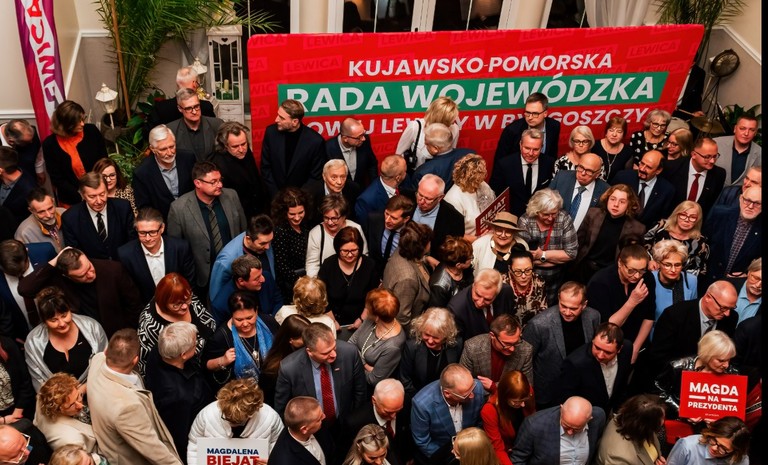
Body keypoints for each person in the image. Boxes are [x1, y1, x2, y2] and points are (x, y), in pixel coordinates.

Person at [87, 329, 183, 465]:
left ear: (107, 351)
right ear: (135, 360)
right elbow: (153, 449)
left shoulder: (97, 360)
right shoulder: (127, 408)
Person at [18, 246, 143, 337]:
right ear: (67, 276)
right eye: (82, 275)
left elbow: (134, 305)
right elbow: (25, 289)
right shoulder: (59, 278)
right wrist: (54, 261)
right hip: (82, 337)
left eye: (89, 267)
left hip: (115, 334)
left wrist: (127, 334)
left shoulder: (112, 270)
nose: (90, 274)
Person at [167, 160, 247, 294]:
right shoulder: (179, 208)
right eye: (213, 182)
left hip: (235, 270)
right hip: (203, 277)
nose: (220, 185)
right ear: (198, 183)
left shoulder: (231, 196)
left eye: (220, 180)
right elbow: (176, 249)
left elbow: (243, 230)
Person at [522, 281, 600, 410]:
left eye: (573, 308)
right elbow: (525, 360)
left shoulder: (593, 317)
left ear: (584, 305)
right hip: (548, 391)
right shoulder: (538, 325)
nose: (567, 312)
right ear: (558, 299)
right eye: (563, 306)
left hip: (580, 388)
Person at [144, 322, 213, 462]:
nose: (196, 344)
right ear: (184, 355)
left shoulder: (160, 350)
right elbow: (180, 437)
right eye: (194, 345)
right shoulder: (177, 396)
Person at [274, 322, 367, 420]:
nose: (334, 354)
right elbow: (282, 409)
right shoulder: (289, 368)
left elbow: (360, 392)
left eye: (334, 347)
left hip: (345, 420)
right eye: (326, 353)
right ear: (309, 352)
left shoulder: (349, 353)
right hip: (312, 426)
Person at [24, 286, 107, 391]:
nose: (62, 323)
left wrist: (83, 389)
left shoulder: (92, 327)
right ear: (44, 321)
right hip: (58, 399)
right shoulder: (33, 341)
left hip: (96, 391)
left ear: (69, 310)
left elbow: (106, 365)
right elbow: (39, 382)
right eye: (53, 320)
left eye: (64, 315)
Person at [187, 378, 284, 465]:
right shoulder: (206, 415)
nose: (232, 424)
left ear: (251, 413)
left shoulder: (270, 418)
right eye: (227, 418)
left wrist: (272, 462)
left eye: (237, 421)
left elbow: (279, 446)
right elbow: (194, 445)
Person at [586, 244, 655, 363]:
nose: (637, 276)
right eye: (631, 270)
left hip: (636, 341)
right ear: (620, 263)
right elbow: (608, 327)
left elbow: (649, 316)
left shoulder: (647, 278)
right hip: (608, 345)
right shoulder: (600, 283)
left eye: (641, 270)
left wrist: (635, 348)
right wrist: (632, 302)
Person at [137, 273, 216, 376]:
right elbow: (147, 364)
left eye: (187, 299)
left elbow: (207, 320)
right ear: (164, 302)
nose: (185, 307)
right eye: (177, 304)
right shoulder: (149, 325)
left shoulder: (184, 296)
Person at [649, 281, 738, 371]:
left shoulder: (731, 318)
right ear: (708, 297)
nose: (727, 313)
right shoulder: (675, 315)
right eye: (723, 308)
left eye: (731, 308)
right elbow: (659, 356)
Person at [653, 331, 739, 423]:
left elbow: (733, 407)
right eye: (721, 360)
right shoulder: (678, 367)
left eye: (729, 360)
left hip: (715, 428)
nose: (726, 365)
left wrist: (720, 419)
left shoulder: (732, 373)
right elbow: (659, 390)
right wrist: (680, 409)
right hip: (679, 422)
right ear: (707, 355)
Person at [117, 206, 197, 304]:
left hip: (179, 304)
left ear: (162, 228)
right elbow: (129, 292)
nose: (147, 238)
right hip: (145, 308)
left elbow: (189, 283)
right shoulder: (125, 254)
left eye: (152, 232)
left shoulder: (180, 248)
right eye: (142, 233)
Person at [208, 214, 280, 322]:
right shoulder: (226, 261)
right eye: (263, 243)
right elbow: (216, 295)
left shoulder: (263, 238)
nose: (268, 247)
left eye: (270, 241)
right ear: (248, 239)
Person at [202, 291, 278, 390]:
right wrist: (222, 360)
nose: (245, 324)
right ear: (231, 315)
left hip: (273, 385)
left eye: (249, 318)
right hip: (243, 392)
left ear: (256, 311)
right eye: (239, 320)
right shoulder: (221, 337)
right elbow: (206, 365)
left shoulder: (268, 323)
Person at [411, 363, 485, 464]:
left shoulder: (477, 388)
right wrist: (450, 458)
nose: (472, 395)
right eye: (466, 395)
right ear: (447, 394)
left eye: (473, 388)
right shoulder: (422, 404)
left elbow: (480, 424)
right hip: (442, 455)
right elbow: (422, 441)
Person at [573, 184, 646, 284]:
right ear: (607, 199)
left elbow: (633, 257)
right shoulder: (593, 214)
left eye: (622, 201)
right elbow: (578, 242)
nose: (616, 204)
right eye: (612, 199)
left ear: (629, 204)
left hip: (609, 275)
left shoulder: (637, 228)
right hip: (583, 268)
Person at [516, 189, 579, 304]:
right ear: (536, 211)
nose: (550, 218)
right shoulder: (525, 221)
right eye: (545, 214)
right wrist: (556, 259)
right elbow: (523, 259)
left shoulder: (564, 218)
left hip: (556, 279)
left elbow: (571, 254)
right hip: (530, 279)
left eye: (554, 213)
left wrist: (542, 255)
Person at [557, 322, 633, 413]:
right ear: (593, 341)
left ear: (619, 349)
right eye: (597, 348)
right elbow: (567, 400)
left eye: (608, 352)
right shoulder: (575, 363)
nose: (600, 355)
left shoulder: (627, 349)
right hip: (587, 414)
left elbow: (622, 383)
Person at [42, 100, 107, 206]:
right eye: (77, 121)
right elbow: (57, 178)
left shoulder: (92, 131)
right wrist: (80, 195)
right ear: (66, 124)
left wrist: (98, 189)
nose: (82, 124)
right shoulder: (50, 145)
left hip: (99, 192)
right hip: (72, 199)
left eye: (83, 119)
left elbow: (104, 161)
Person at [62, 171, 136, 261]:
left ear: (107, 190)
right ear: (82, 195)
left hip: (124, 263)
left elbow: (133, 241)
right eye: (92, 197)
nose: (99, 201)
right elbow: (75, 254)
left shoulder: (123, 207)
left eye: (102, 194)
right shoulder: (70, 218)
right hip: (93, 267)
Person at [510, 396, 606, 465]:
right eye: (566, 426)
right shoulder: (535, 424)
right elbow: (518, 459)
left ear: (589, 419)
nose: (570, 432)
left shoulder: (598, 418)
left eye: (576, 429)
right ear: (561, 409)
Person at [261, 99, 325, 197]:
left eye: (282, 118)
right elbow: (266, 167)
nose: (276, 120)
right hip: (274, 197)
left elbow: (315, 176)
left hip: (301, 199)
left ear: (295, 122)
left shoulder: (315, 141)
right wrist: (276, 196)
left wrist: (297, 199)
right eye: (278, 115)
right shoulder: (271, 133)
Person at [132, 124, 196, 221]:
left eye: (172, 146)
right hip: (164, 222)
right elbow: (145, 208)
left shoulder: (188, 158)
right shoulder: (142, 173)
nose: (170, 153)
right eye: (163, 149)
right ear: (152, 149)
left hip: (192, 217)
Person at [319, 226, 379, 329]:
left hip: (362, 321)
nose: (350, 255)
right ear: (338, 249)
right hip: (332, 320)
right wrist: (332, 321)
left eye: (354, 250)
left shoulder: (370, 265)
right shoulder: (328, 264)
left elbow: (373, 297)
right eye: (345, 251)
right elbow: (321, 295)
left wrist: (361, 319)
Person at [340, 379, 410, 465]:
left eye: (398, 411)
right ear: (374, 401)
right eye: (388, 412)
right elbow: (346, 455)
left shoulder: (404, 402)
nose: (393, 416)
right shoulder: (354, 423)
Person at [489, 128, 556, 217]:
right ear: (520, 145)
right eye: (527, 148)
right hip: (512, 218)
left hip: (539, 218)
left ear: (542, 147)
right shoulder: (504, 164)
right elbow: (494, 194)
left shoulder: (549, 163)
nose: (531, 153)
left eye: (536, 149)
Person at [459, 314, 533, 394]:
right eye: (507, 344)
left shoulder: (526, 350)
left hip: (508, 399)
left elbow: (527, 387)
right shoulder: (472, 347)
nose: (512, 349)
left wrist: (494, 387)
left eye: (516, 342)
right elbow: (462, 382)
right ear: (492, 335)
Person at [400, 307, 463, 399]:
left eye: (436, 337)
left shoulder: (456, 345)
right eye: (426, 335)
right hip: (417, 396)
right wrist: (420, 399)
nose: (430, 341)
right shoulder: (412, 346)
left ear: (446, 336)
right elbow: (405, 380)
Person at [348, 288, 406, 386]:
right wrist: (365, 365)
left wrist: (354, 360)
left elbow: (373, 379)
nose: (366, 310)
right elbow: (351, 343)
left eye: (368, 309)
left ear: (377, 317)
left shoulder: (393, 346)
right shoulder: (372, 319)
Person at [704, 185, 762, 282]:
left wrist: (747, 275)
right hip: (707, 278)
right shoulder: (719, 214)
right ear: (740, 199)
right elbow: (703, 241)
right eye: (747, 200)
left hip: (736, 284)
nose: (750, 206)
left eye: (757, 203)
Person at [209, 121, 267, 218]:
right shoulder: (217, 165)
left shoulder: (246, 152)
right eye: (235, 146)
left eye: (244, 144)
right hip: (238, 214)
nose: (241, 149)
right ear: (225, 146)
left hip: (257, 210)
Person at [0, 239, 54, 341]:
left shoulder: (45, 252)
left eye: (22, 270)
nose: (18, 275)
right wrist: (11, 341)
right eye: (12, 274)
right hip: (24, 338)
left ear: (27, 251)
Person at [382, 221, 432, 329]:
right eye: (429, 241)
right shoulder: (408, 279)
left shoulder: (402, 250)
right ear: (421, 247)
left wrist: (426, 259)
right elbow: (402, 319)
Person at [661, 137, 726, 217]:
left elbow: (711, 206)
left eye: (715, 156)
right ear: (694, 155)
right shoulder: (672, 168)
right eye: (707, 157)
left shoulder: (719, 174)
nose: (712, 161)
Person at [612, 149, 677, 230]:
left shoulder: (667, 190)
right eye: (642, 163)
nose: (642, 169)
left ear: (658, 170)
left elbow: (663, 219)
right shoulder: (622, 177)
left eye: (648, 167)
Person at [305, 194, 367, 278]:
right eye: (326, 218)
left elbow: (364, 256)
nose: (330, 222)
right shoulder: (316, 233)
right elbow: (312, 265)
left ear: (344, 216)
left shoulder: (356, 229)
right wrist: (317, 284)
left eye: (334, 218)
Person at [481, 370, 535, 465]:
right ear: (504, 397)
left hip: (528, 447)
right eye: (516, 402)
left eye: (524, 400)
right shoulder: (489, 411)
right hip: (507, 454)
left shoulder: (527, 392)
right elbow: (497, 448)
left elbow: (534, 422)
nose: (523, 405)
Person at [594, 394, 666, 465]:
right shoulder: (620, 459)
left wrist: (656, 458)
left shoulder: (628, 417)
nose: (663, 421)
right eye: (658, 424)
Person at [644, 200, 710, 276]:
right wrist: (649, 260)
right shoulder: (660, 227)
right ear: (676, 214)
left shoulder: (700, 242)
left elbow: (701, 269)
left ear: (697, 220)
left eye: (692, 217)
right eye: (683, 215)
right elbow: (642, 244)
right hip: (651, 273)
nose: (686, 220)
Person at [34, 372, 95, 452]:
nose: (80, 406)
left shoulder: (44, 394)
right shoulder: (71, 440)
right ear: (57, 410)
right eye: (72, 405)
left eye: (78, 396)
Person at [411, 174, 465, 264]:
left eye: (428, 199)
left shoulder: (454, 219)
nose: (421, 201)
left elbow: (452, 254)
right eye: (420, 195)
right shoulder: (408, 198)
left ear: (440, 198)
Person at [448, 269, 515, 341]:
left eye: (487, 299)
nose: (480, 303)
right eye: (477, 295)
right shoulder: (457, 309)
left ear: (497, 294)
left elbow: (510, 320)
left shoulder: (506, 292)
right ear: (473, 285)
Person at [649, 239, 698, 337]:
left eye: (677, 265)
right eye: (667, 265)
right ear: (659, 263)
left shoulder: (691, 280)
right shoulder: (650, 279)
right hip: (653, 334)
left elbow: (692, 313)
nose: (673, 270)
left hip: (680, 336)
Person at [494, 92, 561, 163]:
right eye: (528, 113)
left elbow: (552, 155)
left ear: (545, 113)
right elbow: (500, 161)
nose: (530, 117)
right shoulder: (512, 130)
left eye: (535, 113)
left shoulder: (554, 126)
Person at [396, 96, 460, 170]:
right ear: (440, 120)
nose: (452, 123)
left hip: (440, 173)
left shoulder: (454, 128)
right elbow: (398, 156)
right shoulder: (415, 127)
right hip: (416, 173)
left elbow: (450, 155)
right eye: (448, 121)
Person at [259, 314, 310, 406]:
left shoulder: (307, 353)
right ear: (291, 340)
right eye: (305, 337)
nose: (310, 340)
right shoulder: (273, 370)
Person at [550, 152, 610, 231]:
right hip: (552, 232)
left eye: (589, 171)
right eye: (581, 167)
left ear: (597, 174)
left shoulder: (605, 190)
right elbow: (544, 202)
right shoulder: (562, 177)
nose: (583, 173)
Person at [271, 187, 311, 302]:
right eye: (292, 214)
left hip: (308, 276)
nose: (297, 218)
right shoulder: (280, 231)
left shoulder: (306, 224)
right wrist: (303, 282)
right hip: (290, 285)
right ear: (284, 213)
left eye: (301, 212)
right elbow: (281, 267)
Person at [145, 65, 217, 129]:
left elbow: (149, 133)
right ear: (194, 84)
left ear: (177, 85)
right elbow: (214, 131)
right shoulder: (206, 107)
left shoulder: (160, 108)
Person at [406, 123, 472, 191]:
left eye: (427, 144)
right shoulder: (470, 155)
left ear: (435, 149)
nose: (425, 146)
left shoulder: (423, 172)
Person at [444, 153, 495, 240]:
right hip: (469, 243)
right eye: (481, 174)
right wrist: (479, 238)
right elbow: (453, 235)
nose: (484, 177)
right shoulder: (453, 199)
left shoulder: (482, 185)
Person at [269, 396, 333, 465]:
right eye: (319, 419)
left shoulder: (318, 425)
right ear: (304, 429)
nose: (324, 417)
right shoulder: (285, 460)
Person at [166, 88, 223, 161]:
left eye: (196, 106)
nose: (194, 112)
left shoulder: (217, 124)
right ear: (180, 108)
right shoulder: (171, 130)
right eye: (188, 108)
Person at [666, 416, 750, 465]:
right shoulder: (687, 446)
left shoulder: (742, 460)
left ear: (735, 451)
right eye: (714, 440)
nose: (714, 448)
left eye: (723, 448)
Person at [367, 194, 415, 279]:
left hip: (397, 275)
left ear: (406, 219)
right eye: (386, 213)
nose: (387, 220)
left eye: (394, 218)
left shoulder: (413, 234)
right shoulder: (374, 220)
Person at [355, 155, 407, 232]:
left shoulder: (404, 184)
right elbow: (367, 230)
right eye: (405, 171)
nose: (406, 173)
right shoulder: (366, 201)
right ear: (398, 178)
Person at [305, 159, 362, 225]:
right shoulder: (311, 193)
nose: (339, 182)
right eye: (334, 177)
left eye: (343, 177)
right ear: (324, 176)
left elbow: (354, 216)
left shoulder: (353, 189)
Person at [472, 212, 528, 278]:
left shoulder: (522, 245)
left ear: (513, 233)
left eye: (508, 232)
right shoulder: (479, 244)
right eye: (499, 230)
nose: (503, 235)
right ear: (493, 230)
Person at [326, 117, 378, 188]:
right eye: (359, 137)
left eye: (363, 134)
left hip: (362, 190)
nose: (363, 139)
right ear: (345, 138)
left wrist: (373, 186)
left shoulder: (364, 141)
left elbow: (372, 164)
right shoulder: (328, 148)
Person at [714, 113, 761, 186]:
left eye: (751, 130)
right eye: (742, 128)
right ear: (735, 128)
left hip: (742, 193)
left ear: (755, 133)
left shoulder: (760, 152)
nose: (746, 133)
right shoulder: (716, 143)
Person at [429, 236, 474, 308]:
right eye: (470, 258)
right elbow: (438, 312)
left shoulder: (466, 269)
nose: (472, 259)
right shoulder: (439, 286)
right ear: (458, 265)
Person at [505, 249, 547, 326]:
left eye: (528, 270)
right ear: (510, 269)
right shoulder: (502, 285)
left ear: (533, 266)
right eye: (518, 272)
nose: (524, 276)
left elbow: (543, 311)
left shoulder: (539, 281)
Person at [0, 119, 46, 187]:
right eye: (26, 142)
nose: (31, 142)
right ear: (11, 142)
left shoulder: (30, 133)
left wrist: (39, 170)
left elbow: (38, 152)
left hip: (29, 179)